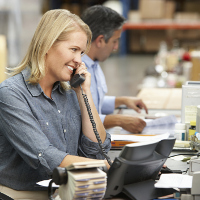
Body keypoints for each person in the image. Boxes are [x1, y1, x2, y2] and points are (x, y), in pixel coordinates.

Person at [0, 9, 111, 199]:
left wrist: (84, 93)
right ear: (47, 44)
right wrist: (104, 167)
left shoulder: (68, 92)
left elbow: (96, 151)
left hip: (67, 191)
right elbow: (44, 155)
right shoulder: (11, 94)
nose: (79, 60)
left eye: (82, 52)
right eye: (74, 49)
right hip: (22, 195)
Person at [81, 5, 148, 133]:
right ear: (100, 40)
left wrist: (122, 101)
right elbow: (79, 119)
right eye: (114, 41)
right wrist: (118, 120)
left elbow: (93, 104)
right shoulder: (76, 72)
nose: (116, 47)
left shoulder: (94, 65)